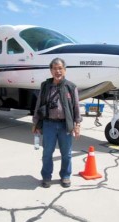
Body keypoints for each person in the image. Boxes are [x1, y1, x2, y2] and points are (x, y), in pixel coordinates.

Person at [32, 58, 82, 188]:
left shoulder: (71, 87)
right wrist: (35, 123)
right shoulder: (45, 86)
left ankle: (65, 176)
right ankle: (46, 177)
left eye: (60, 68)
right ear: (51, 71)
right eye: (54, 68)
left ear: (64, 70)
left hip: (66, 125)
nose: (57, 71)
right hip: (49, 125)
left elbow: (76, 107)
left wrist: (77, 125)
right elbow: (39, 105)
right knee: (47, 153)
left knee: (67, 153)